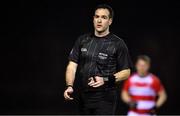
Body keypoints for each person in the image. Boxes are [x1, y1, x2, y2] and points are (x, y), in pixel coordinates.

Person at [64, 4, 132, 115]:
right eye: (97, 17)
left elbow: (127, 72)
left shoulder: (118, 43)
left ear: (110, 21)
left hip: (105, 97)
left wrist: (104, 79)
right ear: (93, 19)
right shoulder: (82, 40)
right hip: (84, 96)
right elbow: (72, 65)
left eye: (104, 17)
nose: (99, 20)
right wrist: (69, 86)